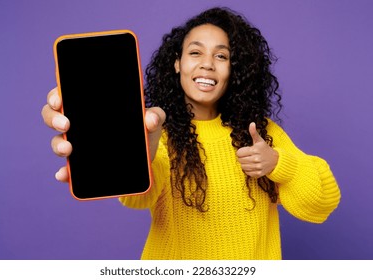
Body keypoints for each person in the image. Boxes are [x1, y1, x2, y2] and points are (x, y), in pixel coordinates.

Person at [41, 6, 341, 260]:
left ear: (234, 69)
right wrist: (139, 146)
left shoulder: (259, 133)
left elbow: (321, 204)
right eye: (195, 52)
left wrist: (278, 164)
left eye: (221, 56)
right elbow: (136, 199)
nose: (207, 64)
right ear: (177, 63)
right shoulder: (157, 130)